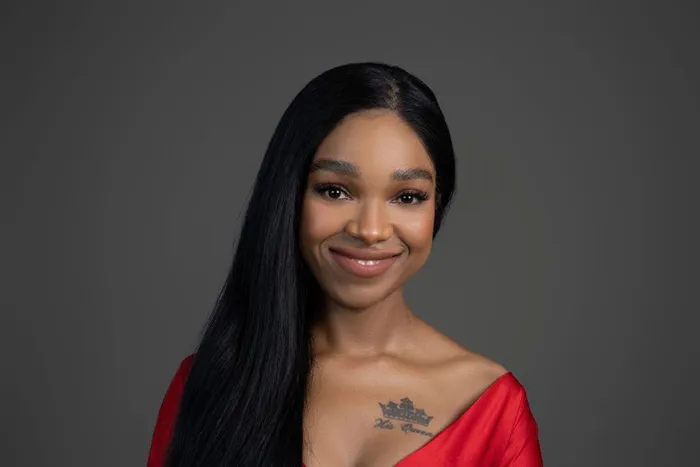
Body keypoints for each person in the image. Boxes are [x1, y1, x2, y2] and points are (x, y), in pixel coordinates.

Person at [147, 62, 543, 467]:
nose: (370, 231)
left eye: (407, 197)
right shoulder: (210, 384)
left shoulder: (495, 409)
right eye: (335, 191)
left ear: (436, 208)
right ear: (290, 197)